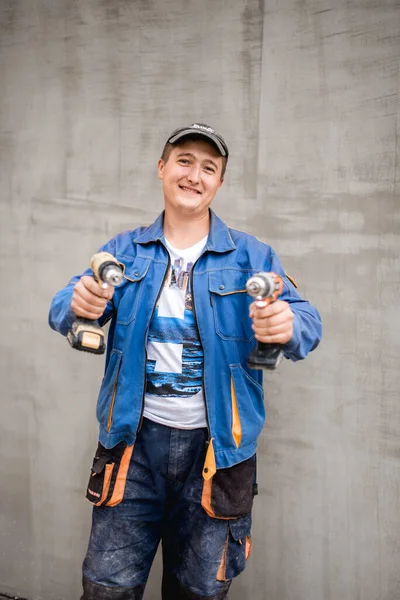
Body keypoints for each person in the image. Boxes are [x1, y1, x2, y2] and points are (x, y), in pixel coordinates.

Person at [49, 123, 322, 600]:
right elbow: (63, 307)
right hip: (131, 450)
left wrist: (288, 326)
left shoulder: (253, 257)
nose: (195, 175)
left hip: (218, 455)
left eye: (209, 167)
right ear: (161, 168)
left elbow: (307, 322)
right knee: (107, 589)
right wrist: (81, 304)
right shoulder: (122, 251)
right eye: (184, 161)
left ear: (220, 182)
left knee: (197, 591)